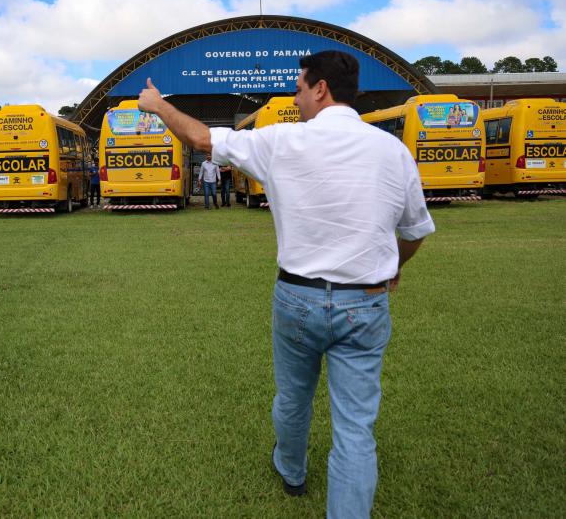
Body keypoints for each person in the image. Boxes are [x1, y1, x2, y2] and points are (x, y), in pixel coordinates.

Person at [138, 50, 435, 519]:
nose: (294, 99)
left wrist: (157, 105)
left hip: (297, 297)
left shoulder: (280, 142)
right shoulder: (392, 151)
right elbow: (415, 231)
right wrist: (393, 267)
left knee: (293, 398)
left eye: (298, 88)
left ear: (321, 89)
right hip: (366, 301)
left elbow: (199, 137)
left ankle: (291, 471)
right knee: (356, 428)